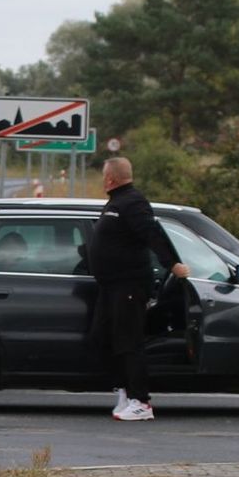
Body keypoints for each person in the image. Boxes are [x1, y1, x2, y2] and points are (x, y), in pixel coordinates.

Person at [87, 157, 189, 421]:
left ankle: (141, 402)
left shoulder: (133, 202)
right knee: (104, 337)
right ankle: (124, 390)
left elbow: (153, 234)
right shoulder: (116, 202)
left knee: (129, 341)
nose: (102, 180)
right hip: (110, 286)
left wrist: (174, 264)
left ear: (110, 179)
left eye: (103, 176)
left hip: (129, 285)